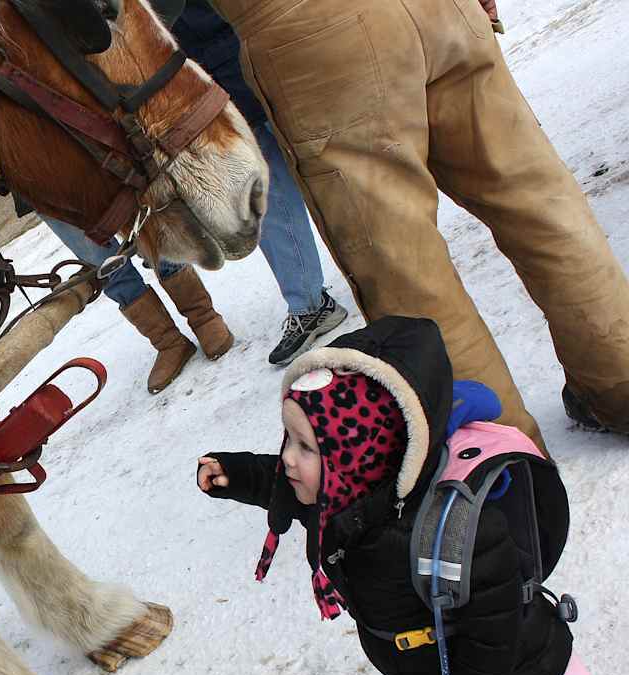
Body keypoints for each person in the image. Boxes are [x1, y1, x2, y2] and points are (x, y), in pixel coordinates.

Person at [195, 317, 623, 675]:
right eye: (290, 440)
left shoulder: (456, 530)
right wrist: (239, 473)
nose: (288, 458)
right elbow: (286, 487)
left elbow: (496, 626)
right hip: (435, 669)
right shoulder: (348, 500)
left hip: (511, 671)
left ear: (360, 454)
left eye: (307, 448)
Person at [208, 0, 629, 444]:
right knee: (536, 201)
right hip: (441, 9)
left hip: (316, 37)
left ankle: (499, 459)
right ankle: (619, 379)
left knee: (406, 269)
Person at [38, 0, 346, 394]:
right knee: (273, 171)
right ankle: (303, 301)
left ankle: (348, 273)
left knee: (318, 155)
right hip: (206, 60)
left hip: (230, 50)